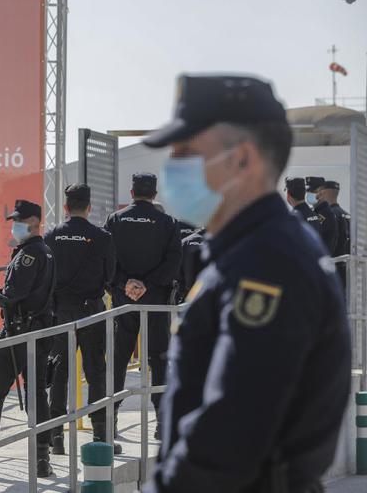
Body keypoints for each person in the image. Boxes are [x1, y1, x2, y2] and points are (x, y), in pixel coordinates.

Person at [141, 74, 351, 493]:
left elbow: (232, 427)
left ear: (243, 159)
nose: (173, 166)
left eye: (187, 153)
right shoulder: (247, 251)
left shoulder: (267, 262)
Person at [0, 200, 56, 478]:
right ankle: (42, 458)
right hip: (38, 332)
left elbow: (15, 292)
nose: (14, 225)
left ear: (33, 222)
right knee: (37, 394)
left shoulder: (29, 254)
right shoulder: (45, 251)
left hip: (19, 333)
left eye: (19, 221)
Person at [104, 173, 181, 437]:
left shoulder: (115, 220)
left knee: (118, 360)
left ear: (132, 191)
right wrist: (147, 284)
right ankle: (162, 422)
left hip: (123, 301)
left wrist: (126, 283)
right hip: (156, 303)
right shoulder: (167, 222)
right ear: (154, 194)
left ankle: (109, 420)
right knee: (159, 361)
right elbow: (174, 262)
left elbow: (107, 260)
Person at [43, 184, 118, 455]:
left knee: (59, 371)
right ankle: (100, 437)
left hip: (60, 311)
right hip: (92, 310)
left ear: (65, 207)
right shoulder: (102, 237)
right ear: (89, 207)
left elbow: (46, 274)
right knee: (95, 371)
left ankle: (56, 438)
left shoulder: (51, 235)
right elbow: (110, 275)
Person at [322, 180, 351, 281]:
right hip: (348, 268)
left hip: (334, 268)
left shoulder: (328, 215)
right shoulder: (348, 215)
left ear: (324, 192)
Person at [306, 176, 338, 253]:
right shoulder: (314, 212)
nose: (309, 193)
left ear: (322, 192)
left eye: (312, 191)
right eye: (307, 191)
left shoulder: (326, 214)